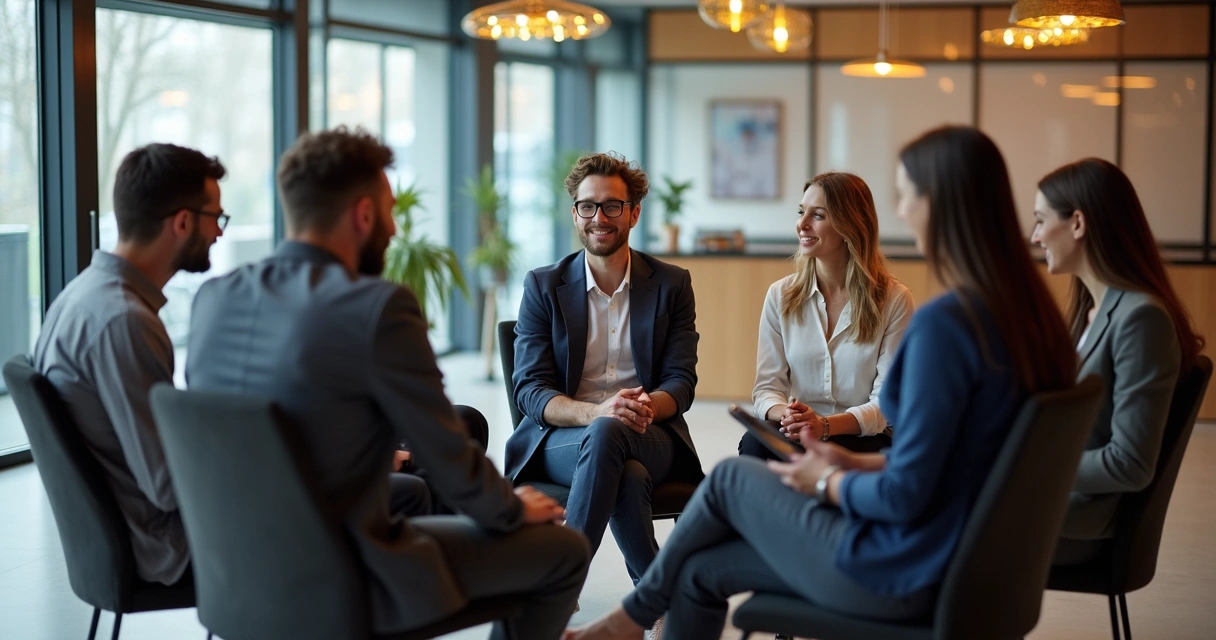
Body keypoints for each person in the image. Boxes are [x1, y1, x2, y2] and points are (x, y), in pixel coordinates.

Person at [563, 126, 1076, 640]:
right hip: (977, 569)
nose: (902, 212)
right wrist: (848, 460)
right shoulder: (1039, 323)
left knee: (729, 481)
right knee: (701, 567)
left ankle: (626, 619)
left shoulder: (947, 325)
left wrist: (828, 481)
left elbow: (907, 493)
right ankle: (633, 615)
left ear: (939, 204)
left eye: (907, 195)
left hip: (904, 567)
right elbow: (951, 463)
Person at [185, 126, 589, 639]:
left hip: (233, 572)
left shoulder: (214, 299)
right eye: (391, 211)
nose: (396, 230)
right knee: (564, 550)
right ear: (364, 214)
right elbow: (450, 459)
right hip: (346, 574)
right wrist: (511, 506)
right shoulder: (374, 306)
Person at [506, 152, 702, 596]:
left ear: (633, 212)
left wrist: (638, 407)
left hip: (651, 430)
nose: (599, 217)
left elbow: (680, 382)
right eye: (587, 206)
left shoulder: (672, 284)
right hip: (564, 438)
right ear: (575, 212)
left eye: (612, 205)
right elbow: (530, 391)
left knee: (613, 432)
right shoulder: (542, 286)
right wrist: (598, 413)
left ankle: (561, 585)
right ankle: (655, 599)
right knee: (623, 468)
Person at [32, 143, 227, 586]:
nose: (219, 233)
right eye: (215, 217)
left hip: (120, 538)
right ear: (182, 222)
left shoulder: (79, 297)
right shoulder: (125, 323)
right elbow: (167, 485)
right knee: (339, 503)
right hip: (165, 546)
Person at [1031, 158, 1205, 564]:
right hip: (1057, 499)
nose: (1036, 235)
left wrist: (1034, 469)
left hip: (1079, 517)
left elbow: (1130, 462)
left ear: (1077, 223)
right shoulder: (1095, 309)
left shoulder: (1141, 318)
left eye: (1040, 220)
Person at [744, 172, 913, 459]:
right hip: (799, 432)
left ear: (851, 224)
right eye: (801, 212)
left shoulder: (895, 300)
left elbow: (887, 404)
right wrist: (790, 415)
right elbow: (766, 389)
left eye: (818, 215)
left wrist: (823, 426)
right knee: (753, 443)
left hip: (863, 438)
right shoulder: (779, 295)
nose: (802, 224)